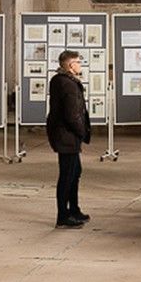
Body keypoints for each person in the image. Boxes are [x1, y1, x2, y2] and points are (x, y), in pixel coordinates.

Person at [46, 50, 91, 228]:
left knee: (75, 172)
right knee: (67, 175)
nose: (80, 65)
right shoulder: (68, 85)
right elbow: (72, 115)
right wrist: (82, 132)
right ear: (71, 65)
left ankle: (74, 209)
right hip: (67, 135)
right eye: (78, 62)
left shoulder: (60, 80)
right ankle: (63, 216)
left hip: (65, 135)